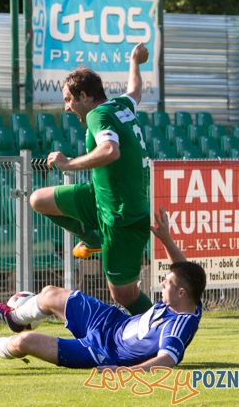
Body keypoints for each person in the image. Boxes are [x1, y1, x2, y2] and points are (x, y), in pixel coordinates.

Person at [0, 207, 205, 371]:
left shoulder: (180, 323)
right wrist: (166, 239)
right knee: (49, 293)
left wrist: (124, 371)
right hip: (111, 321)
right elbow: (182, 270)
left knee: (25, 341)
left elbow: (167, 360)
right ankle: (14, 317)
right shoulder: (188, 295)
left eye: (168, 283)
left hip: (104, 352)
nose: (162, 283)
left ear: (181, 293)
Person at [30, 42, 152, 315]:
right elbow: (135, 91)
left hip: (123, 214)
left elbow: (110, 150)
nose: (66, 107)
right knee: (39, 199)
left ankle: (162, 330)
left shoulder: (97, 115)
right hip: (99, 198)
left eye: (68, 99)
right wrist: (134, 61)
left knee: (122, 294)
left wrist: (68, 164)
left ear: (84, 95)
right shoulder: (119, 105)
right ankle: (92, 237)